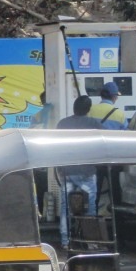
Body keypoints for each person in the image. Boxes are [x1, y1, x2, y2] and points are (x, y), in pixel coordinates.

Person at [55, 96, 103, 249]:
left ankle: (65, 241)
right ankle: (91, 242)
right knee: (90, 207)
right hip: (87, 171)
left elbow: (57, 146)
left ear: (74, 108)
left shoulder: (63, 124)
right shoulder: (94, 124)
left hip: (67, 171)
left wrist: (60, 167)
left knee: (65, 207)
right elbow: (102, 144)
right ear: (88, 109)